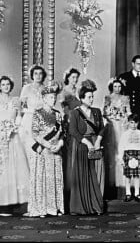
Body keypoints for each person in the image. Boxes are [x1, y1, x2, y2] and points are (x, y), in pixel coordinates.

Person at [68, 79, 105, 215]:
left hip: (96, 145)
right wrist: (87, 142)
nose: (92, 99)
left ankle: (96, 205)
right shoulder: (75, 113)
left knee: (96, 174)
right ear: (81, 98)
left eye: (92, 97)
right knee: (83, 175)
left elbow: (101, 128)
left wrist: (98, 141)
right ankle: (82, 207)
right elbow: (73, 131)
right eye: (89, 97)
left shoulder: (97, 111)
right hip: (82, 147)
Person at [28, 82, 64, 217]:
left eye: (54, 97)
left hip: (56, 150)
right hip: (43, 149)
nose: (53, 100)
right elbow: (35, 133)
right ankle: (42, 208)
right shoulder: (38, 113)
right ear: (43, 98)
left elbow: (63, 132)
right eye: (50, 97)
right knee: (43, 179)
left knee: (55, 179)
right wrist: (48, 145)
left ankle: (55, 207)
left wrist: (59, 144)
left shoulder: (58, 114)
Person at [0, 76, 29, 214]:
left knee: (14, 170)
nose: (5, 86)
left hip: (12, 138)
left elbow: (19, 118)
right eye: (3, 84)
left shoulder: (16, 100)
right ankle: (2, 204)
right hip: (0, 138)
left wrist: (13, 127)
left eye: (7, 84)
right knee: (3, 170)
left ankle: (13, 203)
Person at [58, 67, 81, 213]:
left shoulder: (77, 91)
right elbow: (62, 109)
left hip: (77, 123)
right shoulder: (64, 91)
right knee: (69, 154)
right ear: (68, 78)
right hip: (68, 123)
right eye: (73, 77)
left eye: (76, 77)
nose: (75, 80)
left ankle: (76, 187)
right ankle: (68, 187)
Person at [102, 77, 131, 190]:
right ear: (111, 87)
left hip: (122, 125)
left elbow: (128, 112)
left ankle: (123, 180)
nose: (117, 89)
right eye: (115, 86)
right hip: (111, 125)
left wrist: (125, 119)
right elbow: (104, 112)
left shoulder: (125, 98)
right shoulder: (107, 98)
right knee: (111, 150)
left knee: (121, 149)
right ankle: (111, 179)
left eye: (119, 86)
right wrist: (110, 117)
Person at [118, 113, 140, 202]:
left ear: (138, 123)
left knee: (136, 176)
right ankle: (128, 193)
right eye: (131, 122)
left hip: (138, 154)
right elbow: (121, 146)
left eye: (135, 123)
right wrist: (121, 157)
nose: (133, 125)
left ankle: (137, 193)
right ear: (128, 122)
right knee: (127, 176)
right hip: (127, 154)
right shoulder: (125, 134)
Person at [19, 65, 46, 159]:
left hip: (42, 119)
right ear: (32, 75)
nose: (38, 76)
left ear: (43, 75)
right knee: (28, 144)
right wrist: (30, 111)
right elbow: (20, 107)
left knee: (41, 146)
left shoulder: (46, 88)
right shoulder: (27, 88)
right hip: (29, 119)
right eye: (35, 73)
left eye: (40, 73)